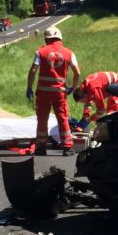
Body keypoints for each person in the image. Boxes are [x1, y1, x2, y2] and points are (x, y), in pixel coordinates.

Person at [26, 26, 81, 156]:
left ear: (46, 39)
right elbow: (77, 72)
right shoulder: (69, 53)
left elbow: (33, 70)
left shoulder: (40, 52)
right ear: (60, 38)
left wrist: (29, 87)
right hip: (60, 93)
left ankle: (41, 148)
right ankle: (67, 148)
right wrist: (73, 87)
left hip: (43, 93)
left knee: (42, 119)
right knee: (63, 118)